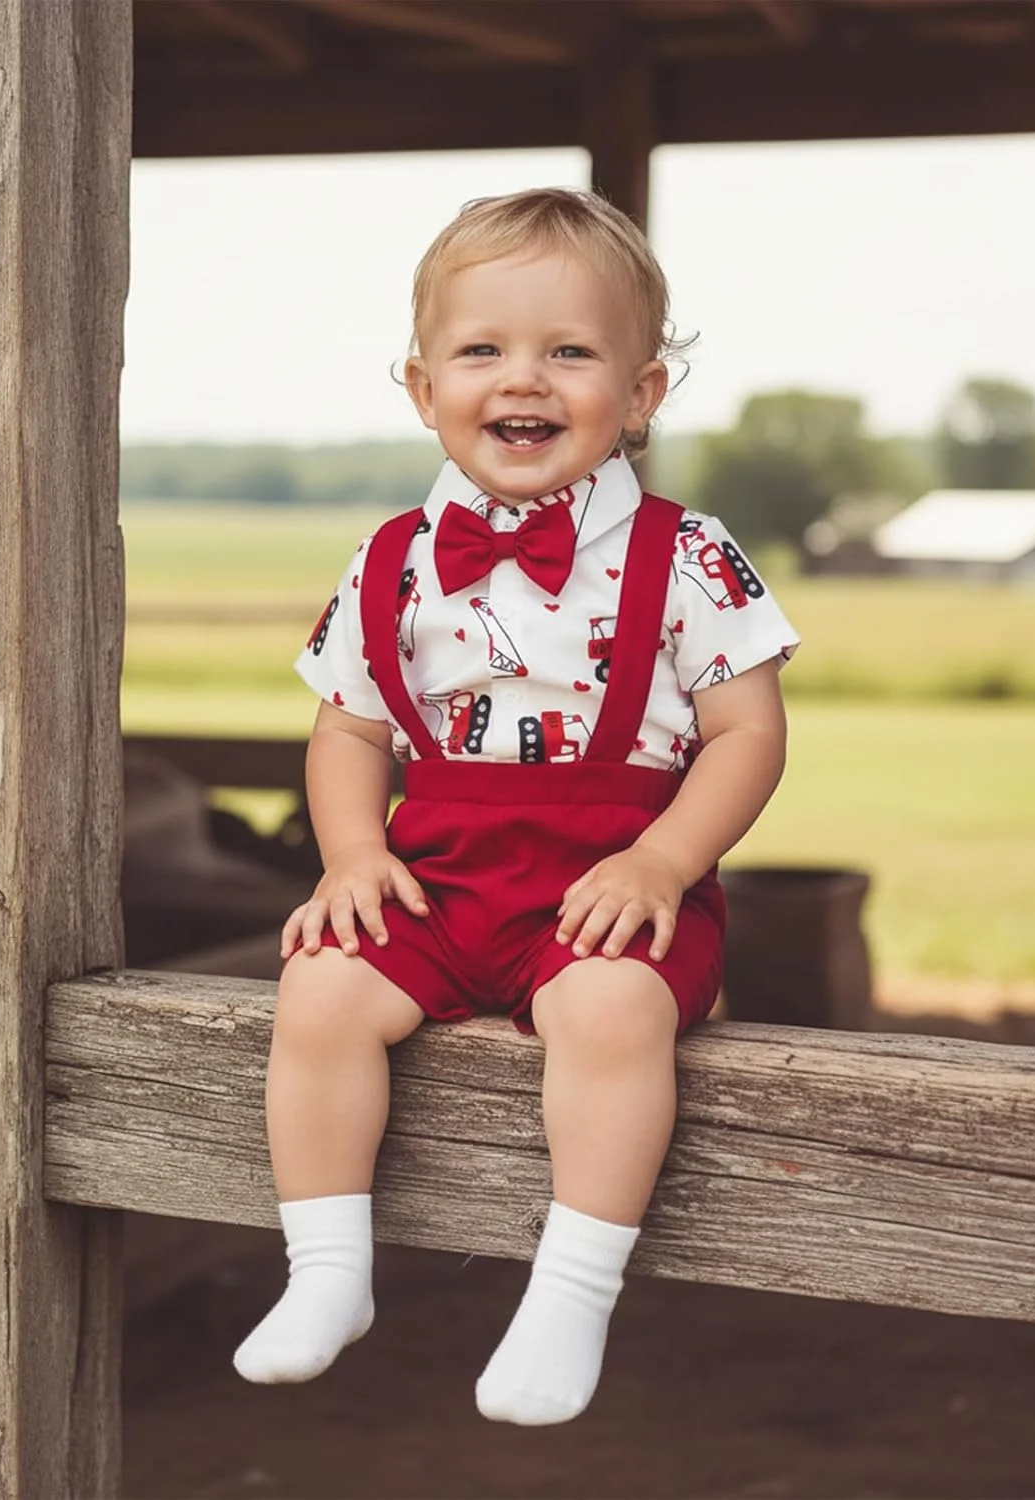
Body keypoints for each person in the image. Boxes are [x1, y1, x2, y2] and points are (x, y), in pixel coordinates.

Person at [232, 187, 798, 1426]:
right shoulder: (390, 556)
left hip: (610, 895)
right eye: (481, 349)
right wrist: (349, 854)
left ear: (642, 395)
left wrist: (665, 859)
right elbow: (350, 725)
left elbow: (748, 733)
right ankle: (327, 1268)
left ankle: (573, 1284)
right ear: (422, 386)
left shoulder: (689, 553)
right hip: (437, 886)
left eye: (569, 351)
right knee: (319, 988)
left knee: (605, 1011)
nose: (521, 378)